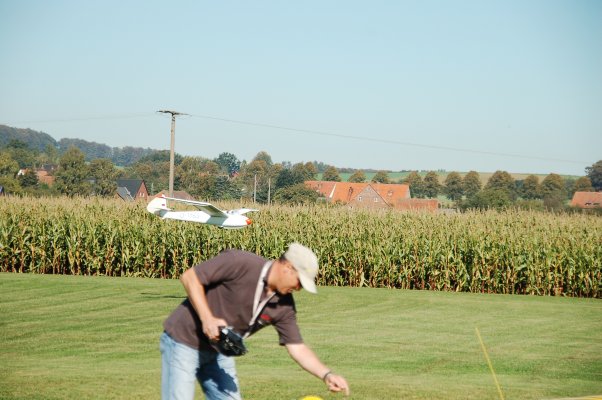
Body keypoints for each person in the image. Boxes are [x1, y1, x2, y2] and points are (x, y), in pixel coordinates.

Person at [160, 242, 350, 400]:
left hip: (219, 351)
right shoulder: (239, 262)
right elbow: (190, 277)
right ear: (287, 267)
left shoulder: (284, 305)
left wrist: (327, 374)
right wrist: (207, 318)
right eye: (300, 281)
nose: (299, 288)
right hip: (183, 341)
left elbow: (297, 347)